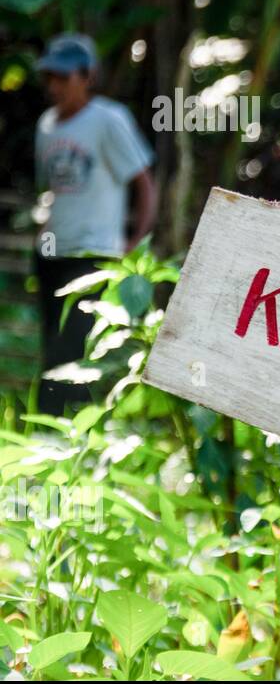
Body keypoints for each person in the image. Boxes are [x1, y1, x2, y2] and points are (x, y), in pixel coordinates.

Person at [33, 32, 158, 415]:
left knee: (71, 353)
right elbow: (51, 190)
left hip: (93, 256)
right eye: (50, 77)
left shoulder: (108, 120)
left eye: (63, 77)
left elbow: (144, 184)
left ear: (86, 76)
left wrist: (134, 241)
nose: (55, 86)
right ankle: (64, 432)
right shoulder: (47, 125)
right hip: (51, 254)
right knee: (52, 348)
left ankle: (52, 431)